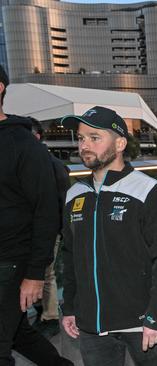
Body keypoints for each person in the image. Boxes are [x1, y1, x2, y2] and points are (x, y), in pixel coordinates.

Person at [60, 106, 157, 366]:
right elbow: (70, 258)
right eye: (81, 138)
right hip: (92, 326)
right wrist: (69, 307)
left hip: (141, 322)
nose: (84, 145)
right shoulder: (75, 195)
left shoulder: (148, 190)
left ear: (120, 143)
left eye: (94, 138)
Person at [0, 65, 72, 365]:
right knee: (17, 334)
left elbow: (47, 212)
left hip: (12, 262)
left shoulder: (25, 145)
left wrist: (34, 274)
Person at [29, 118, 71, 339]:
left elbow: (61, 199)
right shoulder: (38, 162)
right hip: (35, 230)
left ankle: (50, 316)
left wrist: (61, 230)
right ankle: (43, 312)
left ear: (36, 137)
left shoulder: (50, 164)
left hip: (47, 230)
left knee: (46, 274)